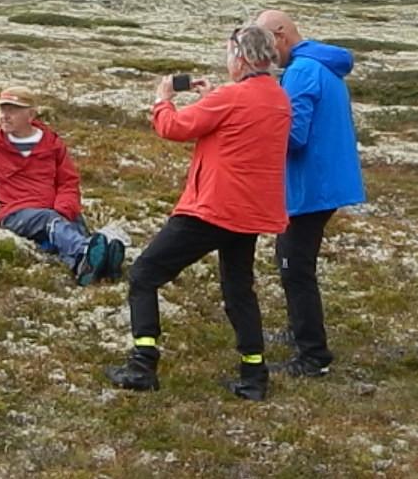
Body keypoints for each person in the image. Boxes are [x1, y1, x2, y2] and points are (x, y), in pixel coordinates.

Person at [111, 24, 295, 402]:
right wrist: (216, 99)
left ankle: (142, 362)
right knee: (238, 289)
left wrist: (163, 98)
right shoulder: (278, 97)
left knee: (145, 273)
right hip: (249, 212)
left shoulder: (230, 97)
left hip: (211, 208)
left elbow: (173, 127)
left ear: (240, 58)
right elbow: (237, 129)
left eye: (229, 54)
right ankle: (254, 374)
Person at [258, 9, 364, 377]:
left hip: (310, 187)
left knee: (294, 266)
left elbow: (294, 136)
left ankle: (312, 355)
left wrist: (257, 127)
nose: (267, 57)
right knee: (294, 261)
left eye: (268, 46)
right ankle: (301, 333)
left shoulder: (301, 72)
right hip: (329, 182)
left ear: (281, 34)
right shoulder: (323, 65)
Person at [0, 90, 123, 285]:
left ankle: (85, 267)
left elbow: (68, 182)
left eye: (12, 110)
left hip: (54, 209)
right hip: (16, 213)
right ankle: (86, 251)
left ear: (31, 115)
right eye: (2, 109)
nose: (4, 115)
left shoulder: (53, 143)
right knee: (51, 221)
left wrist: (64, 209)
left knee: (70, 222)